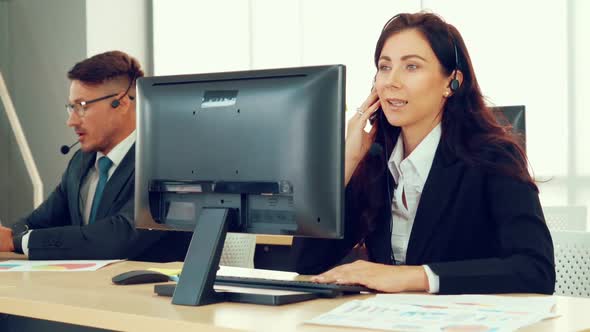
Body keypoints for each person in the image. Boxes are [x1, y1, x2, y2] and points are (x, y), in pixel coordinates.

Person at [292, 12, 555, 294]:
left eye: (412, 67)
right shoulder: (376, 161)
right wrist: (345, 161)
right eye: (384, 67)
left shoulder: (493, 157)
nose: (391, 81)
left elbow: (535, 269)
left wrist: (411, 277)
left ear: (451, 82)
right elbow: (306, 261)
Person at [0, 51, 167, 259]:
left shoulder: (163, 162)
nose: (71, 121)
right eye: (71, 107)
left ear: (121, 103)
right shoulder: (81, 161)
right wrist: (8, 235)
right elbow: (39, 221)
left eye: (81, 106)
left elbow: (118, 237)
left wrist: (16, 241)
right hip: (86, 287)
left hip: (143, 289)